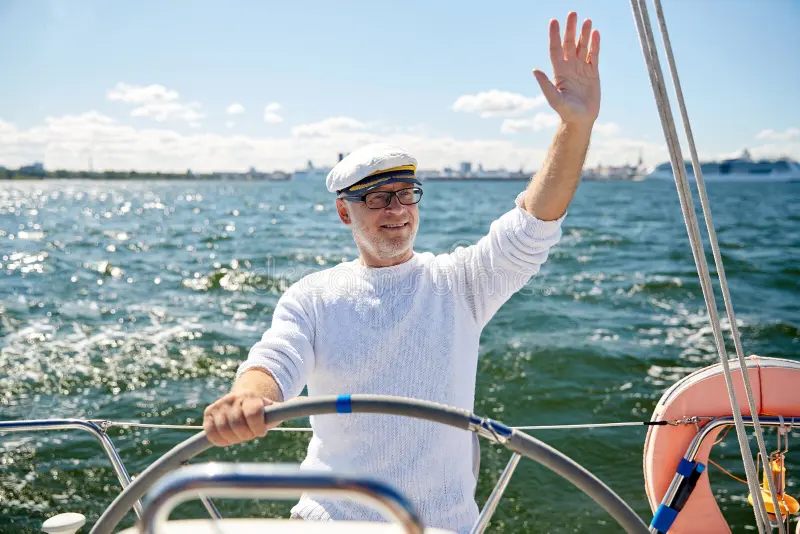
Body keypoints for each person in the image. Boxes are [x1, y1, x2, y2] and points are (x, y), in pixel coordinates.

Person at [203, 11, 600, 533]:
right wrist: (250, 396)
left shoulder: (460, 283)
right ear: (346, 212)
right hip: (331, 522)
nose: (397, 209)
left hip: (440, 525)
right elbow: (275, 359)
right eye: (377, 198)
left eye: (406, 194)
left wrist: (575, 126)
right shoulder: (313, 296)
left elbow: (532, 226)